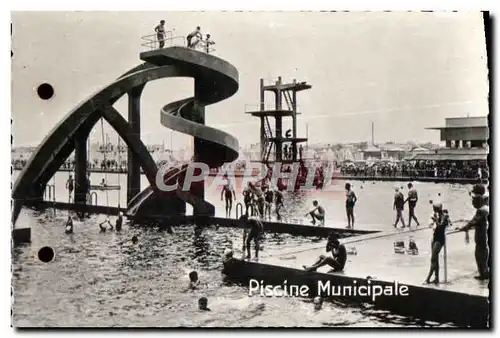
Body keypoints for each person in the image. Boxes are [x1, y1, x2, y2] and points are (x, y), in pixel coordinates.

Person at [456, 184, 489, 280]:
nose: (473, 202)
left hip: (481, 236)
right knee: (483, 253)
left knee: (479, 255)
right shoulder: (486, 207)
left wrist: (462, 228)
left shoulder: (481, 211)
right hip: (484, 234)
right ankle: (485, 272)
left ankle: (483, 274)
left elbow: (473, 222)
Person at [425, 206, 450, 284]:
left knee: (433, 259)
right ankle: (437, 278)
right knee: (435, 259)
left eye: (435, 210)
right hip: (435, 237)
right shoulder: (439, 215)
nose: (435, 212)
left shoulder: (444, 216)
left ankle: (428, 278)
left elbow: (441, 226)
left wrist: (435, 220)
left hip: (439, 239)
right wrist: (434, 220)